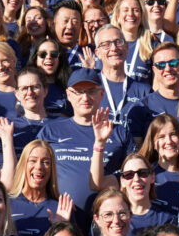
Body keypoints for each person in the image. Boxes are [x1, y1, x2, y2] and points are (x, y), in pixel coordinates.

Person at [39, 68, 130, 216]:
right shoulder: (50, 132)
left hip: (109, 219)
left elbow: (134, 174)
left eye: (91, 91)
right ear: (68, 95)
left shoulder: (119, 132)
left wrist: (115, 182)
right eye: (79, 92)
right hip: (61, 216)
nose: (85, 98)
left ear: (102, 94)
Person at [8, 138, 73, 236]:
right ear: (23, 164)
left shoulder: (61, 208)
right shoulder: (7, 204)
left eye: (46, 162)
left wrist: (61, 228)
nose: (39, 167)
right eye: (32, 161)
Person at [144, 41, 179, 121]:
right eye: (161, 65)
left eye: (173, 63)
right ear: (154, 70)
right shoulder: (144, 107)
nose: (167, 69)